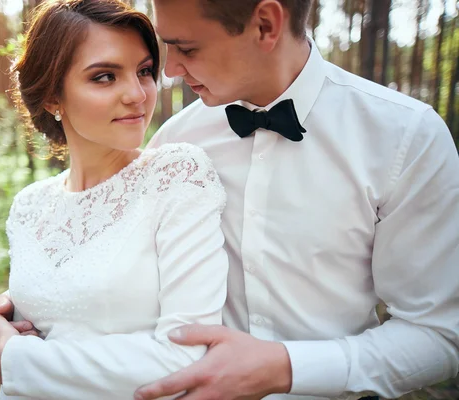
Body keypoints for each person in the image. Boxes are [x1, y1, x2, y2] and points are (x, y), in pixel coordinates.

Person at [131, 1, 459, 400]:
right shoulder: (176, 142)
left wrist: (285, 368)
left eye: (188, 48)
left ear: (266, 26)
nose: (170, 70)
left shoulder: (406, 138)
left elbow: (437, 336)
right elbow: (134, 280)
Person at [0, 0, 229, 398]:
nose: (137, 94)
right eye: (105, 77)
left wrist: (17, 360)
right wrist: (1, 320)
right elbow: (44, 315)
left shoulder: (177, 174)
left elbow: (186, 354)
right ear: (52, 98)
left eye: (144, 71)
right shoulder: (28, 205)